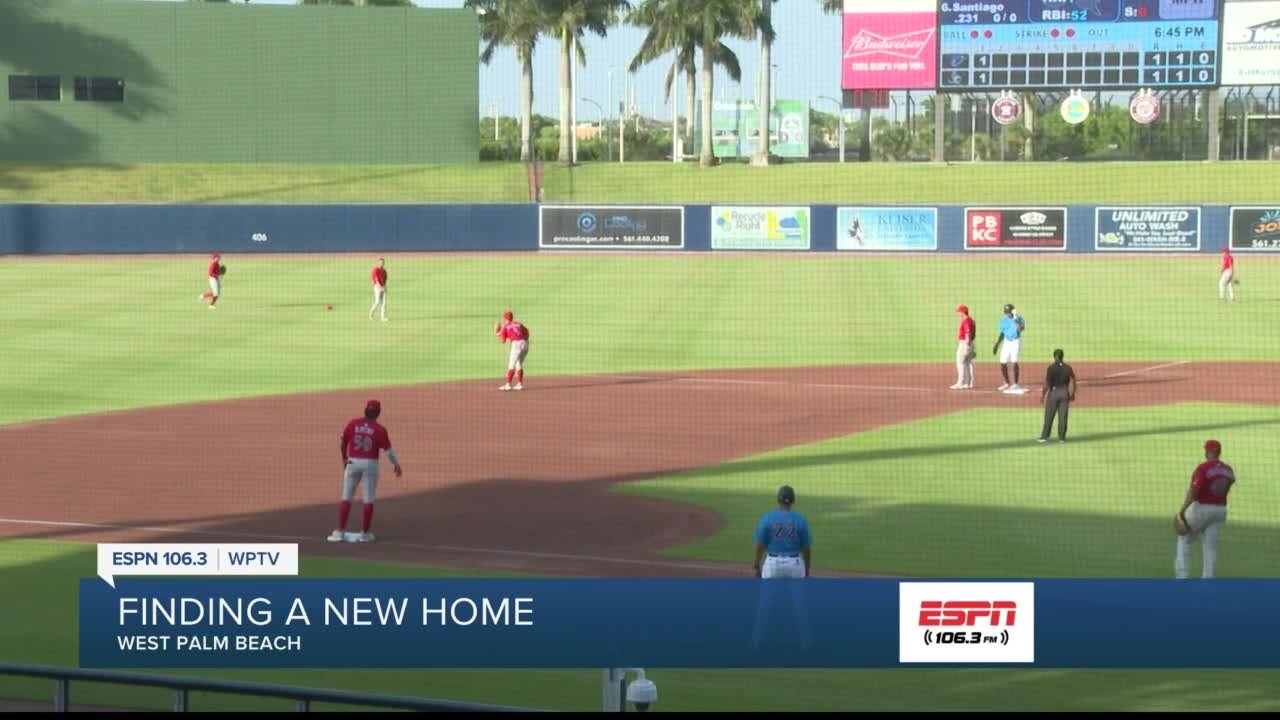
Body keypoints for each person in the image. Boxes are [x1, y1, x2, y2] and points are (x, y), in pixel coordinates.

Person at [330, 399, 402, 543]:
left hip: (352, 461)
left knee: (346, 497)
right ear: (378, 413)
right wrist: (396, 464)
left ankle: (340, 531)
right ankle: (365, 533)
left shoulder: (353, 423)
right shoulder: (379, 429)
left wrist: (344, 459)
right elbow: (388, 451)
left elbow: (344, 442)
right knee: (368, 498)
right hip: (370, 464)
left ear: (365, 410)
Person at [1175, 439, 1235, 579]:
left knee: (1183, 538)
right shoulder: (1228, 470)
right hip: (1220, 511)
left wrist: (1182, 511)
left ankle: (1181, 577)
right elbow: (1227, 485)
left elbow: (1194, 491)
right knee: (1210, 545)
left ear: (1208, 452)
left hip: (1202, 508)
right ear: (1219, 452)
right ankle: (1208, 580)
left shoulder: (1203, 468)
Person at [753, 485, 812, 579]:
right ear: (793, 501)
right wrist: (807, 568)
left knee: (767, 594)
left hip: (772, 565)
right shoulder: (801, 520)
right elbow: (806, 549)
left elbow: (760, 545)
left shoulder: (767, 518)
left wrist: (756, 564)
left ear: (778, 500)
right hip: (794, 565)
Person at [1038, 349, 1076, 443]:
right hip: (1064, 392)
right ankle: (1062, 438)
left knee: (1049, 416)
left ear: (1055, 356)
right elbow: (1073, 380)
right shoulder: (1068, 367)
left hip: (1054, 393)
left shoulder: (1051, 368)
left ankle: (1044, 437)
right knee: (1063, 416)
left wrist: (1043, 395)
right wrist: (1072, 393)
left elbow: (1046, 383)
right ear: (1062, 356)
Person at [991, 303, 1026, 393]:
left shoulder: (1018, 318)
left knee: (1014, 361)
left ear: (1012, 311)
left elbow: (1021, 329)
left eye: (1009, 312)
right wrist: (997, 344)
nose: (1007, 314)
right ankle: (1007, 383)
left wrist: (1015, 319)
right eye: (1006, 312)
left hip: (1015, 341)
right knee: (1002, 362)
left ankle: (1016, 383)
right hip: (1006, 342)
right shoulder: (1003, 321)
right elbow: (1002, 333)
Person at [495, 310, 530, 391]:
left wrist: (497, 334)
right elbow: (527, 333)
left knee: (511, 365)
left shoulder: (505, 326)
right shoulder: (518, 324)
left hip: (516, 345)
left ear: (505, 318)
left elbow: (503, 341)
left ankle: (508, 384)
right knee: (519, 364)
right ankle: (520, 384)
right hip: (525, 344)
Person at [951, 304, 977, 390]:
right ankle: (970, 382)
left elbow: (968, 334)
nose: (958, 314)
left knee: (960, 362)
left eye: (959, 312)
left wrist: (967, 346)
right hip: (972, 343)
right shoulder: (972, 320)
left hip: (965, 343)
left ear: (963, 312)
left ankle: (960, 383)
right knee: (969, 363)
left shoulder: (966, 321)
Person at [369, 257, 388, 321]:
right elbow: (375, 279)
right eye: (380, 263)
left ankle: (382, 317)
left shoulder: (384, 271)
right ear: (378, 263)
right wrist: (379, 286)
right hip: (377, 288)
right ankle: (371, 314)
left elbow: (385, 280)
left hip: (383, 288)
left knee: (384, 303)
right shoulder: (375, 270)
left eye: (383, 263)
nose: (382, 264)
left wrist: (385, 287)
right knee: (377, 302)